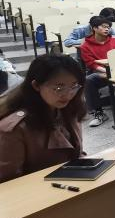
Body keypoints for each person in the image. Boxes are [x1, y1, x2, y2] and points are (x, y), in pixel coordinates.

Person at [0, 55, 86, 183]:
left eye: (74, 86)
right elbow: (8, 182)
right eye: (59, 88)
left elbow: (77, 153)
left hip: (73, 182)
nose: (68, 94)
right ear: (36, 85)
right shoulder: (15, 128)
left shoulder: (69, 109)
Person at [79, 16, 115, 127]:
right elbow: (91, 63)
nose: (107, 29)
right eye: (103, 27)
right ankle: (98, 113)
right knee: (89, 80)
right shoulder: (85, 46)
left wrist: (113, 71)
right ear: (94, 28)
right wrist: (106, 71)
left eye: (108, 27)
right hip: (100, 72)